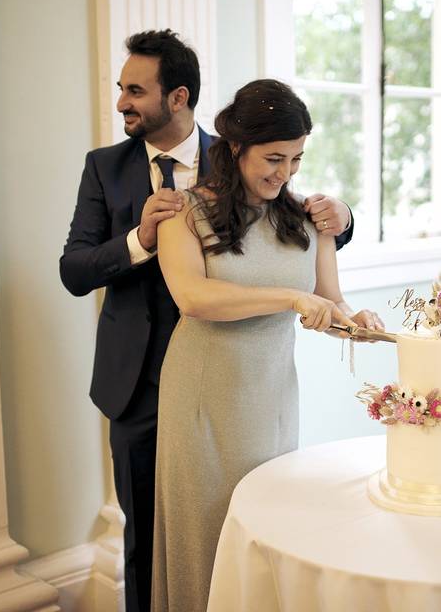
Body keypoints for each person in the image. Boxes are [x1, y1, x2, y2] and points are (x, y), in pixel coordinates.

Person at [59, 30, 356, 612]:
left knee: (252, 533)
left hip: (257, 384)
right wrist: (141, 237)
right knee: (155, 536)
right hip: (147, 377)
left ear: (178, 97)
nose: (122, 101)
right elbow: (74, 269)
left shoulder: (250, 155)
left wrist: (342, 221)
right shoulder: (106, 169)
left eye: (135, 90)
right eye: (122, 88)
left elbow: (307, 247)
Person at [152, 78, 384, 612]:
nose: (285, 174)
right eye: (274, 158)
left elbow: (330, 304)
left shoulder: (309, 218)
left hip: (272, 397)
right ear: (235, 150)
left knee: (267, 530)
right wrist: (289, 297)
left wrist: (358, 323)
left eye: (297, 159)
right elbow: (193, 298)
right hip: (202, 400)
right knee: (205, 534)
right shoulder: (181, 212)